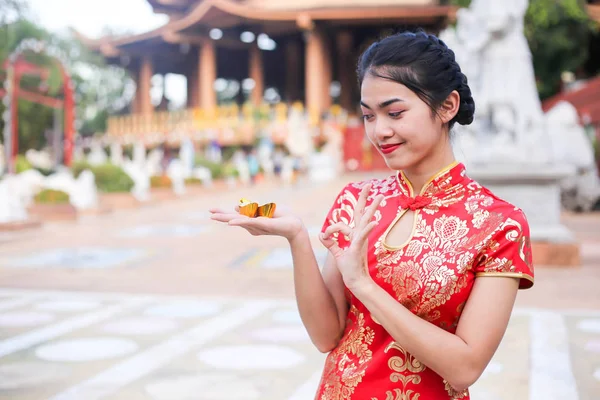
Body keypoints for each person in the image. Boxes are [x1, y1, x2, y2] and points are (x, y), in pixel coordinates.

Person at [210, 31, 534, 400]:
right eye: (368, 116)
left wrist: (363, 284)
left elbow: (465, 367)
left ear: (447, 106)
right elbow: (325, 336)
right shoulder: (358, 201)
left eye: (395, 113)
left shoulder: (499, 224)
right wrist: (298, 238)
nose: (379, 131)